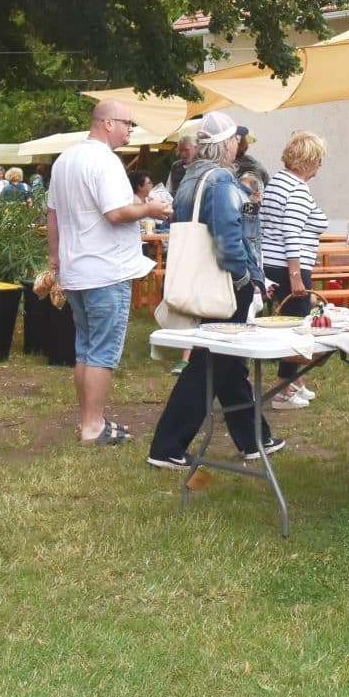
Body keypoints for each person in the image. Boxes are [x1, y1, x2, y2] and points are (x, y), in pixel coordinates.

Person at [145, 112, 282, 469]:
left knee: (226, 362)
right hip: (224, 282)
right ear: (226, 144)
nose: (240, 143)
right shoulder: (221, 180)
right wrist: (247, 280)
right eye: (236, 138)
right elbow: (228, 237)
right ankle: (167, 445)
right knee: (211, 364)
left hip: (205, 278)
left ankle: (254, 438)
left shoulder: (191, 176)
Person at [46, 101, 173, 446]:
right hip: (106, 270)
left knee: (86, 350)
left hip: (76, 270)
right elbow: (115, 213)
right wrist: (151, 208)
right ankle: (92, 427)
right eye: (127, 123)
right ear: (106, 123)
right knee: (101, 352)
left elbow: (52, 215)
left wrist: (55, 260)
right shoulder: (105, 161)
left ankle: (92, 419)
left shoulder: (65, 161)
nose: (131, 129)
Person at [264, 131, 331, 410]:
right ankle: (282, 388)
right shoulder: (297, 189)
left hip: (271, 262)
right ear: (309, 161)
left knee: (291, 325)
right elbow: (291, 234)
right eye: (318, 160)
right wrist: (295, 277)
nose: (320, 166)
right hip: (291, 265)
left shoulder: (277, 183)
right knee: (298, 330)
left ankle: (294, 382)